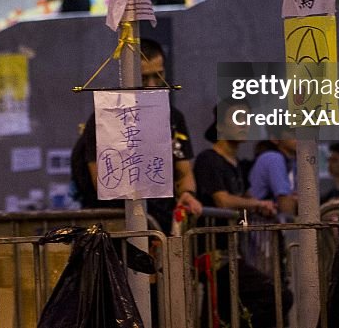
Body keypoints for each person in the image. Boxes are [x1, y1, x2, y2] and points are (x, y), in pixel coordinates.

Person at [71, 38, 202, 232]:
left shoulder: (173, 117)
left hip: (162, 226)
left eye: (158, 75)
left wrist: (188, 194)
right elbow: (100, 180)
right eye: (144, 78)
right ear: (129, 77)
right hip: (116, 226)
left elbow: (184, 172)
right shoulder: (104, 118)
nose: (152, 84)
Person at [193, 103, 290, 328]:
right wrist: (257, 203)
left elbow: (246, 196)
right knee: (278, 297)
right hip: (213, 253)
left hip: (232, 253)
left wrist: (262, 206)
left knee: (223, 314)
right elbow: (223, 200)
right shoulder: (208, 159)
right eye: (238, 119)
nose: (245, 125)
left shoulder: (235, 164)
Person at [248, 130, 298, 216]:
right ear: (274, 139)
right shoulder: (273, 158)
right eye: (292, 132)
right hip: (258, 221)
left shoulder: (293, 162)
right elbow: (286, 206)